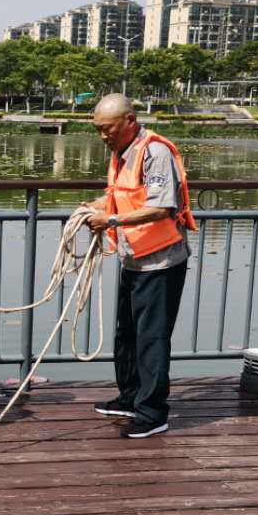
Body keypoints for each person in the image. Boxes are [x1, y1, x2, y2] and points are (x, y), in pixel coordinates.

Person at [84, 93, 197, 439]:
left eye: (108, 128)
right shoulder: (122, 152)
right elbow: (121, 196)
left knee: (151, 338)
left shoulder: (155, 152)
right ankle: (130, 397)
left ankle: (152, 413)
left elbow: (162, 208)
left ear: (130, 121)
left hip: (160, 263)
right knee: (127, 335)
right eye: (98, 129)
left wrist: (110, 220)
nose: (103, 136)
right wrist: (95, 207)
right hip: (133, 259)